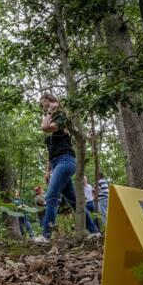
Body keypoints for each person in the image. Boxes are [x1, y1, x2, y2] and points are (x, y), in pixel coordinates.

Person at [36, 93, 101, 242]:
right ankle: (94, 231)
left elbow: (45, 127)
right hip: (57, 162)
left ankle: (46, 235)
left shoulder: (61, 119)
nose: (44, 106)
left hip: (66, 161)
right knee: (73, 201)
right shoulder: (51, 118)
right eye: (42, 104)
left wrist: (51, 111)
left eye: (45, 102)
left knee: (51, 197)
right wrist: (48, 171)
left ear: (52, 102)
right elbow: (50, 151)